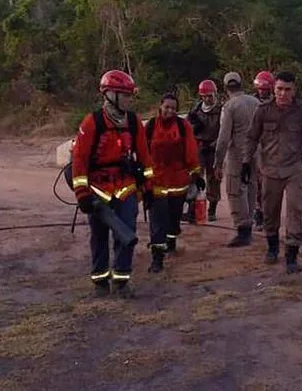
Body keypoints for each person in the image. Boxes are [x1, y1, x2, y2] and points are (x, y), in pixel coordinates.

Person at [70, 70, 154, 298]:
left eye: (130, 95)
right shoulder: (92, 122)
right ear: (109, 95)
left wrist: (148, 188)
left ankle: (122, 280)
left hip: (126, 187)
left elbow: (145, 158)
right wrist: (82, 194)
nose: (129, 100)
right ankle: (99, 280)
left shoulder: (134, 122)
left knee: (126, 233)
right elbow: (79, 160)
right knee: (98, 236)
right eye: (124, 95)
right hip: (98, 190)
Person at [244, 71, 302, 273]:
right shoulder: (263, 111)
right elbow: (251, 137)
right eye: (279, 89)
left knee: (296, 210)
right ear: (274, 89)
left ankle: (291, 254)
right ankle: (272, 247)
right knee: (269, 211)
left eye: (287, 89)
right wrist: (246, 162)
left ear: (294, 90)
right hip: (269, 169)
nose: (282, 93)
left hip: (295, 169)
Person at [146, 93, 204, 272]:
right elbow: (142, 152)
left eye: (173, 108)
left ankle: (171, 241)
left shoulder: (183, 126)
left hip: (178, 181)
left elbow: (191, 151)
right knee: (158, 221)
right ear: (160, 107)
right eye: (167, 107)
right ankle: (157, 258)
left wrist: (196, 174)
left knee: (173, 218)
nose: (170, 111)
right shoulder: (149, 127)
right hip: (156, 182)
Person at [214, 72, 260, 247]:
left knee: (235, 189)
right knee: (251, 187)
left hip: (237, 153)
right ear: (241, 84)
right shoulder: (256, 103)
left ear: (225, 88)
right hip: (255, 152)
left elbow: (224, 138)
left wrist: (218, 161)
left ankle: (242, 229)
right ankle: (248, 223)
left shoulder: (230, 106)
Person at [185, 79, 222, 222]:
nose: (207, 99)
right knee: (195, 177)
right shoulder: (195, 111)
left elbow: (225, 131)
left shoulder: (221, 110)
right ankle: (192, 207)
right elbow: (188, 130)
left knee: (214, 179)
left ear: (215, 94)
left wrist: (215, 144)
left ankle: (212, 208)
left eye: (210, 96)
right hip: (199, 147)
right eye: (204, 96)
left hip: (214, 147)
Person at [251, 70, 275, 230]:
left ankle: (268, 213)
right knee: (258, 182)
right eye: (261, 89)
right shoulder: (251, 102)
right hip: (257, 146)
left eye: (265, 90)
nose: (263, 93)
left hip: (273, 146)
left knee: (271, 183)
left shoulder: (277, 102)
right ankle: (258, 211)